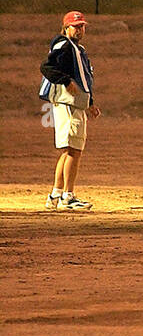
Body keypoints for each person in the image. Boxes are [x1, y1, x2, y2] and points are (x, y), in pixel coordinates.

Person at [40, 11, 99, 211]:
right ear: (66, 28)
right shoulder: (64, 45)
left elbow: (83, 78)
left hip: (76, 104)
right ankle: (68, 196)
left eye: (82, 26)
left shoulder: (77, 48)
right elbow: (47, 67)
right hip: (67, 103)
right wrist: (65, 81)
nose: (80, 29)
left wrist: (89, 102)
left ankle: (56, 194)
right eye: (76, 26)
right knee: (74, 150)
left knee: (69, 150)